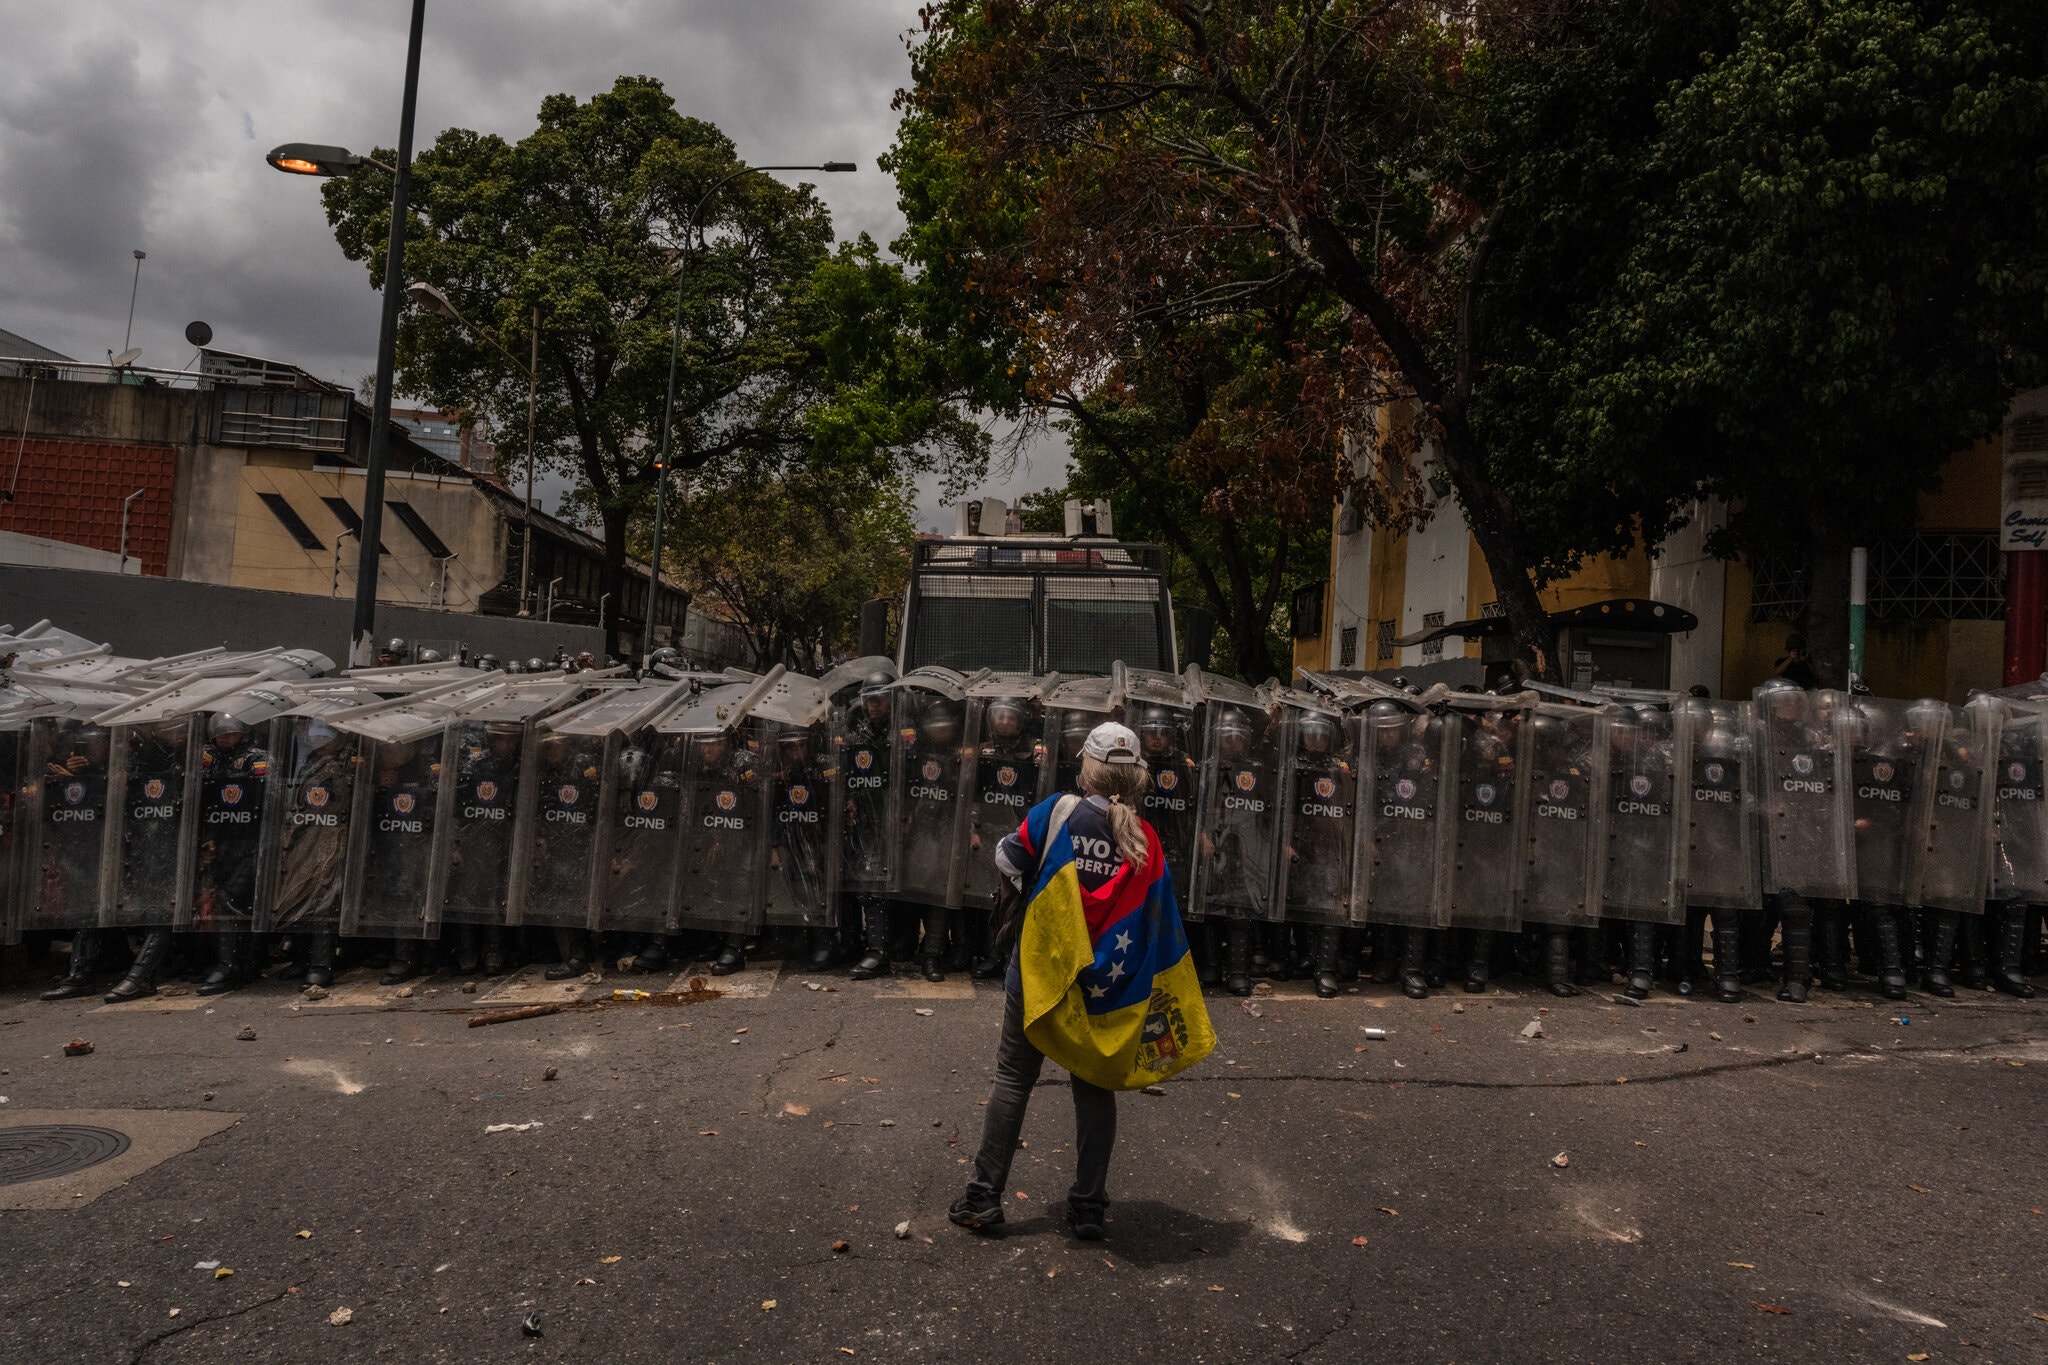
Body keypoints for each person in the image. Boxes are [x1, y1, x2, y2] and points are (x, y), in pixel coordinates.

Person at [950, 721, 1163, 1242]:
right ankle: (1088, 1207)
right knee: (1094, 1089)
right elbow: (1153, 917)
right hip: (1103, 983)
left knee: (1013, 1079)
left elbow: (1007, 858)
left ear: (1086, 771)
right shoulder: (1145, 839)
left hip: (1040, 971)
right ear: (1137, 777)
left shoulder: (1058, 813)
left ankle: (983, 1198)